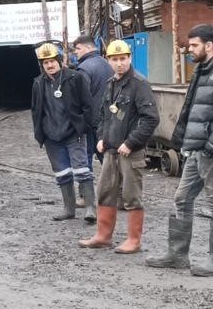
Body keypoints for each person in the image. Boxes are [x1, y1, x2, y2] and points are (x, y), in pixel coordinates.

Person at [146, 24, 213, 276]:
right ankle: (178, 255)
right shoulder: (201, 70)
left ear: (208, 45)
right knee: (182, 197)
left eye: (194, 45)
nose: (189, 50)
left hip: (211, 152)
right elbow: (193, 111)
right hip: (196, 150)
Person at [79, 40, 159, 254]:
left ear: (130, 58)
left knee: (132, 196)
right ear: (108, 61)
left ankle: (134, 240)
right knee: (105, 191)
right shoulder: (110, 83)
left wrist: (131, 142)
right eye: (115, 60)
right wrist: (101, 137)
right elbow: (104, 114)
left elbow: (150, 118)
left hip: (130, 151)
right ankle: (103, 236)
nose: (119, 64)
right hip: (111, 149)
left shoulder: (139, 84)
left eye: (123, 59)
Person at [30, 43, 97, 222]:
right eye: (45, 63)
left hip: (73, 133)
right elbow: (36, 110)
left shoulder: (75, 78)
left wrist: (84, 127)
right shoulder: (38, 83)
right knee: (62, 174)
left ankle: (90, 208)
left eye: (52, 61)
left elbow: (88, 106)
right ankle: (69, 209)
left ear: (60, 61)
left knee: (83, 170)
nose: (49, 66)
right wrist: (41, 133)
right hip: (52, 136)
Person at [72, 35, 111, 165]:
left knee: (86, 157)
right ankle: (118, 184)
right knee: (107, 158)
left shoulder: (83, 69)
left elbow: (79, 98)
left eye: (78, 48)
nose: (75, 52)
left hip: (91, 122)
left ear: (88, 47)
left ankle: (87, 185)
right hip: (108, 119)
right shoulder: (107, 63)